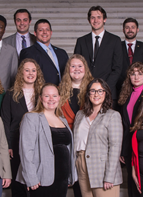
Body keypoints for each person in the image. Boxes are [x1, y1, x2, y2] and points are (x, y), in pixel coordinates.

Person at [16, 83, 77, 197]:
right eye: (47, 96)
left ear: (59, 98)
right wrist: (31, 177)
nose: (51, 99)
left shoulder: (62, 119)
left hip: (62, 178)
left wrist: (70, 175)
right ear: (40, 98)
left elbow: (69, 148)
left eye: (54, 96)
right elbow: (26, 150)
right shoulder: (31, 118)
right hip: (41, 178)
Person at [1, 58, 44, 197]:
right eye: (27, 70)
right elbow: (5, 121)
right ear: (21, 73)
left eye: (33, 70)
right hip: (16, 142)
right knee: (19, 183)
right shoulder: (11, 94)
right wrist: (7, 145)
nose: (30, 73)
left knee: (38, 182)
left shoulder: (43, 94)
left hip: (39, 143)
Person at [73, 78, 123, 197]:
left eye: (100, 91)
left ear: (106, 93)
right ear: (88, 93)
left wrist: (110, 176)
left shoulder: (112, 115)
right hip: (81, 165)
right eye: (93, 91)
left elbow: (115, 147)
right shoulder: (80, 115)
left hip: (102, 168)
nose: (96, 94)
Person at [58, 54, 93, 197]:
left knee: (87, 186)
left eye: (80, 66)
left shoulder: (94, 89)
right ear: (68, 69)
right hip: (66, 143)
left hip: (87, 144)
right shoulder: (60, 90)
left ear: (85, 69)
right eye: (73, 66)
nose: (76, 69)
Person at [74, 6, 122, 106]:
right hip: (85, 91)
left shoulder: (115, 40)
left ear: (104, 19)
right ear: (89, 20)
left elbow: (117, 68)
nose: (96, 20)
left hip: (107, 91)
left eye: (99, 17)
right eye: (92, 17)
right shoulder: (81, 41)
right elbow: (76, 66)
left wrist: (103, 88)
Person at [117, 62, 143, 197]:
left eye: (140, 73)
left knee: (142, 183)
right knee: (132, 182)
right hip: (129, 145)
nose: (136, 77)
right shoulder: (126, 95)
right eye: (133, 74)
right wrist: (123, 149)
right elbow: (125, 126)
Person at [20, 19, 68, 85]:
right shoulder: (28, 52)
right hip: (42, 93)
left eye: (47, 30)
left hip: (63, 93)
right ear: (35, 33)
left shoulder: (62, 53)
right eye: (41, 30)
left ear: (51, 32)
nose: (44, 32)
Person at [118, 18, 143, 97]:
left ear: (137, 29)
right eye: (127, 27)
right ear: (123, 30)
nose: (130, 30)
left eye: (133, 27)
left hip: (140, 88)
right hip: (120, 87)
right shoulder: (117, 46)